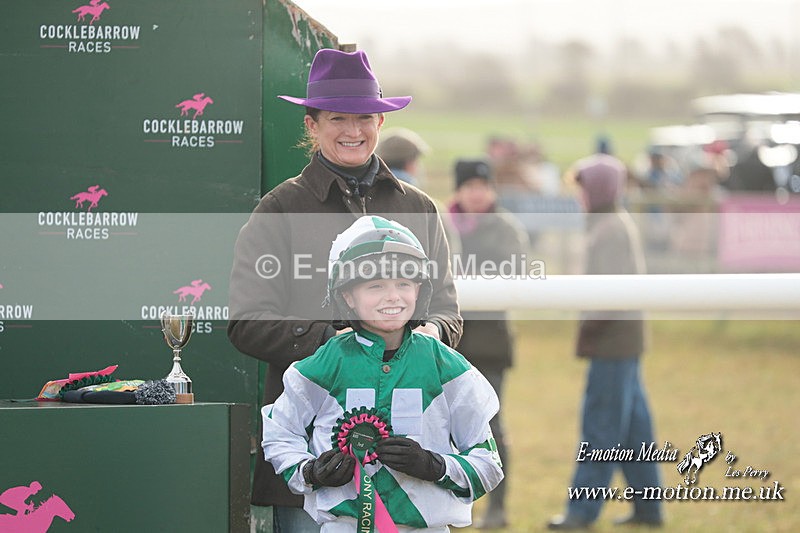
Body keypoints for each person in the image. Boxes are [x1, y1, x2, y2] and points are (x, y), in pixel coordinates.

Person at [227, 48, 462, 532]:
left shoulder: (419, 208)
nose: (353, 130)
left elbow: (446, 312)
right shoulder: (279, 210)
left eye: (364, 117)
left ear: (380, 122)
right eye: (337, 118)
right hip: (313, 450)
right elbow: (247, 323)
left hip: (411, 450)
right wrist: (339, 344)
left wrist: (428, 339)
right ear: (311, 125)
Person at [261, 216, 503, 531]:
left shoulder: (447, 367)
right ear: (347, 296)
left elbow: (489, 464)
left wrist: (436, 465)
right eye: (376, 286)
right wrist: (309, 471)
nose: (393, 296)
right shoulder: (325, 363)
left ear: (419, 291)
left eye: (404, 284)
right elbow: (280, 431)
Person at [547, 152, 663, 530]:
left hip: (613, 343)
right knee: (633, 430)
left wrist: (587, 332)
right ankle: (649, 510)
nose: (579, 196)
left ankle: (581, 512)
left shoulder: (610, 228)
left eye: (583, 188)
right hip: (624, 341)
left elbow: (608, 296)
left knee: (600, 428)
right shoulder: (610, 223)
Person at [444, 159, 528, 529]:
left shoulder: (505, 227)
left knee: (491, 427)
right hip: (452, 343)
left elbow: (516, 271)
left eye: (483, 185)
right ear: (459, 190)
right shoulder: (444, 223)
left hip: (491, 343)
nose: (477, 193)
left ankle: (499, 507)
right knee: (444, 428)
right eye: (470, 185)